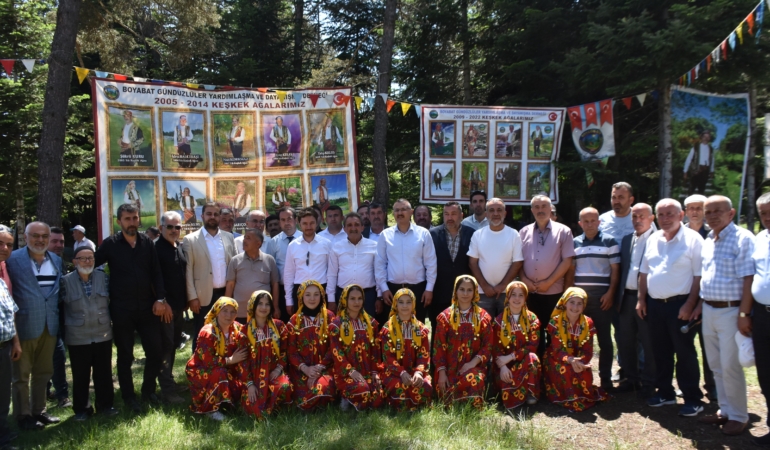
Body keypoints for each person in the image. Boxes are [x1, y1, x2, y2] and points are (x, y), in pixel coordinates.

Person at [94, 204, 166, 413]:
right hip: (121, 308)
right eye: (127, 219)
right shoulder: (110, 244)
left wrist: (160, 298)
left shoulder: (147, 243)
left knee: (155, 350)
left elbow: (156, 273)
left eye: (135, 218)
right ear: (119, 222)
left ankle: (148, 391)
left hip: (147, 306)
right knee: (125, 355)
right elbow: (91, 265)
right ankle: (128, 396)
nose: (132, 222)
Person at [637, 198, 704, 417]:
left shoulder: (693, 240)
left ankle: (693, 398)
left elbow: (698, 276)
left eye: (670, 214)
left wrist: (691, 304)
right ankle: (665, 392)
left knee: (684, 353)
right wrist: (641, 299)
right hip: (655, 306)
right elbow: (644, 273)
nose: (666, 219)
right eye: (662, 214)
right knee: (660, 352)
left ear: (681, 215)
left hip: (681, 305)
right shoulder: (654, 238)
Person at [696, 195, 754, 435]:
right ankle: (726, 410)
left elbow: (748, 278)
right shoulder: (709, 239)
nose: (711, 216)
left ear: (731, 213)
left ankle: (740, 416)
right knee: (715, 365)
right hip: (709, 309)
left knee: (730, 366)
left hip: (732, 310)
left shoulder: (742, 239)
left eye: (717, 211)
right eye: (708, 212)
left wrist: (744, 313)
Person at [7, 222, 62, 431]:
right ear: (26, 236)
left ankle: (39, 410)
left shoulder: (56, 260)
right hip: (24, 327)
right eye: (35, 236)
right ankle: (23, 415)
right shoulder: (13, 259)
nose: (40, 240)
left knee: (44, 371)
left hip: (49, 326)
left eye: (44, 236)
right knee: (21, 375)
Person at [59, 247, 119, 420]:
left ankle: (106, 406)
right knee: (80, 375)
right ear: (75, 261)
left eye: (90, 258)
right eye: (83, 258)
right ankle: (82, 409)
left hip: (102, 333)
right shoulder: (65, 281)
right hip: (78, 335)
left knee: (104, 373)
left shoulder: (104, 278)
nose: (87, 262)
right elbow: (60, 307)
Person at [519, 195, 574, 357]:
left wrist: (548, 282)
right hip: (530, 294)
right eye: (536, 207)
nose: (540, 210)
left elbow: (567, 262)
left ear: (550, 209)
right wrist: (524, 280)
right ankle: (535, 374)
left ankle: (552, 375)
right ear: (532, 210)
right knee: (532, 336)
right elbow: (518, 262)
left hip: (553, 293)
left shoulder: (564, 231)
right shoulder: (523, 232)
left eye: (544, 206)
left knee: (553, 336)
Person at [571, 207, 620, 390]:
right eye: (586, 221)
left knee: (605, 341)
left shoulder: (610, 241)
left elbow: (616, 271)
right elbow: (572, 270)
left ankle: (605, 380)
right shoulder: (574, 243)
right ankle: (580, 378)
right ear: (580, 224)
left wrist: (611, 294)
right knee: (580, 340)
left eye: (593, 221)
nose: (590, 224)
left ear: (599, 222)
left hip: (602, 299)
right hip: (580, 302)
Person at [182, 202, 237, 352]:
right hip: (202, 297)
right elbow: (188, 271)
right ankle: (198, 369)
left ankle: (223, 366)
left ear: (219, 217)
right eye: (209, 214)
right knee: (202, 334)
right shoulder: (191, 240)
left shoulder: (228, 238)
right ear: (202, 216)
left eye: (215, 214)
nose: (212, 217)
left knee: (226, 333)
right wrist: (192, 297)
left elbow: (234, 266)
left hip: (225, 294)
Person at [615, 203, 657, 395]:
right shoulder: (626, 240)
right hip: (627, 298)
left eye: (642, 216)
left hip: (648, 300)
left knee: (649, 343)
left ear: (651, 218)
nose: (637, 220)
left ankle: (649, 383)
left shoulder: (658, 240)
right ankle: (631, 380)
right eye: (634, 217)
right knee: (626, 341)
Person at [543, 288, 608, 411]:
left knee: (584, 371)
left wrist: (581, 361)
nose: (575, 307)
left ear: (584, 306)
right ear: (565, 303)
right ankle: (566, 397)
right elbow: (557, 349)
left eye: (579, 303)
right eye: (572, 302)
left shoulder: (588, 322)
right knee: (564, 369)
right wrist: (570, 360)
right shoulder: (555, 322)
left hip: (578, 359)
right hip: (556, 357)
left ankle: (581, 396)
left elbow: (588, 349)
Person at [433, 276, 492, 408]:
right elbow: (438, 348)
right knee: (445, 394)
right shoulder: (444, 317)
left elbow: (487, 347)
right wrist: (442, 373)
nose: (465, 293)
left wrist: (472, 364)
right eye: (462, 289)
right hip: (449, 371)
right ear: (455, 291)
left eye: (469, 290)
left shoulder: (483, 317)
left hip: (473, 369)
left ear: (475, 292)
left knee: (475, 380)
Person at [185, 297, 247, 421]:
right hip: (202, 370)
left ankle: (231, 404)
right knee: (220, 373)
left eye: (233, 312)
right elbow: (208, 361)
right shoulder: (208, 332)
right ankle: (210, 409)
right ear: (217, 311)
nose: (229, 315)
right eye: (225, 311)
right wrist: (230, 360)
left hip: (225, 368)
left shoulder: (237, 328)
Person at [376, 199, 437, 323]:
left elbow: (431, 263)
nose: (399, 213)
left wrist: (429, 289)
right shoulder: (385, 235)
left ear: (411, 212)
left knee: (417, 327)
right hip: (392, 290)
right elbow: (380, 264)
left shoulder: (423, 234)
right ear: (393, 214)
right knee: (394, 328)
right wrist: (384, 288)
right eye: (396, 210)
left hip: (418, 290)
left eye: (403, 209)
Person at [329, 285, 385, 411]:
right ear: (345, 300)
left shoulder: (371, 323)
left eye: (359, 298)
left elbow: (375, 350)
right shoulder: (336, 324)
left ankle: (354, 399)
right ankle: (345, 397)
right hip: (346, 373)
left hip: (367, 371)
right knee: (362, 391)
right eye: (352, 298)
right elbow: (336, 352)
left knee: (379, 397)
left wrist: (375, 372)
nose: (356, 302)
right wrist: (350, 371)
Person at [684, 193, 716, 401]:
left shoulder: (713, 235)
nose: (695, 212)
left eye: (699, 208)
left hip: (708, 300)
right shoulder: (676, 234)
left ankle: (712, 387)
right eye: (691, 208)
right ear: (685, 211)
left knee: (710, 348)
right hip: (682, 300)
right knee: (685, 349)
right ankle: (688, 386)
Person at [468, 198, 523, 319]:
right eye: (491, 210)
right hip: (483, 292)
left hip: (508, 292)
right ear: (486, 214)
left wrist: (502, 286)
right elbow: (473, 263)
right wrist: (485, 286)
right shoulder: (478, 235)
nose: (496, 213)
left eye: (499, 210)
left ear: (505, 213)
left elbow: (517, 262)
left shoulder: (514, 234)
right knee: (484, 329)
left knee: (506, 329)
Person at [240, 291, 293, 419]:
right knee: (254, 408)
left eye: (267, 304)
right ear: (253, 305)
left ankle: (277, 407)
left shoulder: (279, 326)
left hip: (274, 373)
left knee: (284, 387)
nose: (264, 308)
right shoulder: (245, 330)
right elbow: (243, 361)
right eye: (260, 304)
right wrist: (250, 384)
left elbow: (286, 351)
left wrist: (278, 369)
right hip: (254, 376)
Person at [154, 211, 189, 404]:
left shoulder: (178, 247)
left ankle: (170, 382)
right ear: (161, 228)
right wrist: (162, 301)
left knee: (174, 344)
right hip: (165, 307)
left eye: (178, 227)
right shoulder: (155, 249)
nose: (174, 230)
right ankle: (167, 391)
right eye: (170, 227)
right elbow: (153, 278)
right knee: (165, 346)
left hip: (178, 307)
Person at [379, 288, 433, 411]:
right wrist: (402, 373)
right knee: (398, 386)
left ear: (413, 304)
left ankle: (417, 406)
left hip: (415, 372)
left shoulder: (421, 329)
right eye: (401, 302)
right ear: (395, 305)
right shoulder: (388, 329)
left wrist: (418, 372)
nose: (404, 306)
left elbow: (423, 355)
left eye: (408, 302)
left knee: (425, 385)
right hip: (394, 372)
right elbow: (388, 358)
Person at [428, 202, 475, 341]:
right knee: (439, 333)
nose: (450, 217)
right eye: (446, 214)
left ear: (461, 215)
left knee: (463, 334)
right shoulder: (432, 235)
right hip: (439, 294)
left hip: (465, 295)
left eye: (453, 214)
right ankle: (438, 363)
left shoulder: (472, 234)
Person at [287, 280, 336, 410]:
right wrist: (306, 369)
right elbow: (291, 351)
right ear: (301, 297)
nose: (312, 298)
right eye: (307, 294)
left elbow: (334, 347)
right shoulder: (294, 320)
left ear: (321, 296)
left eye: (316, 294)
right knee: (302, 394)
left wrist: (319, 368)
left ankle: (320, 401)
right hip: (302, 371)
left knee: (323, 387)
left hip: (325, 368)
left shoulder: (330, 317)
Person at [493, 281, 541, 410]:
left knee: (533, 358)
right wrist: (503, 366)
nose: (517, 298)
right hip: (505, 367)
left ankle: (530, 393)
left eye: (521, 295)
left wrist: (511, 356)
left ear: (525, 298)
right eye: (513, 294)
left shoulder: (532, 319)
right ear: (507, 297)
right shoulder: (498, 321)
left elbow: (532, 346)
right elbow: (495, 347)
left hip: (524, 362)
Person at [327, 212, 379, 318]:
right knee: (345, 330)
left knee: (368, 330)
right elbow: (332, 275)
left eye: (356, 224)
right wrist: (331, 299)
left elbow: (379, 273)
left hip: (368, 296)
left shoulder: (374, 246)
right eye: (349, 225)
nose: (353, 228)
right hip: (343, 295)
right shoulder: (337, 247)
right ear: (344, 228)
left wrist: (379, 297)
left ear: (362, 227)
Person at [284, 208, 333, 313]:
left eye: (312, 223)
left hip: (321, 290)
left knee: (322, 324)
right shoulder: (292, 246)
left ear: (317, 223)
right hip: (299, 290)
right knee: (302, 326)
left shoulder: (326, 244)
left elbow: (331, 272)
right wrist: (289, 300)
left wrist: (331, 297)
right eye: (305, 223)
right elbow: (289, 274)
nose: (309, 227)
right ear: (299, 224)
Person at [226, 229, 279, 323]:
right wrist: (227, 306)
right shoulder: (235, 260)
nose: (244, 240)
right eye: (244, 237)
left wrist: (275, 307)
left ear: (258, 244)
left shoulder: (269, 260)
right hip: (241, 312)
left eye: (248, 238)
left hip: (263, 312)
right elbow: (230, 285)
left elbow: (275, 284)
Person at [751, 192, 770, 447]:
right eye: (764, 213)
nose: (767, 217)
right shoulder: (759, 239)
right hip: (762, 315)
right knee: (765, 373)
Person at [44, 227, 69, 409]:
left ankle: (62, 395)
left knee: (58, 356)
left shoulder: (60, 262)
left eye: (61, 241)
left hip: (59, 315)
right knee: (44, 357)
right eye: (55, 241)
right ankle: (45, 392)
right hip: (40, 318)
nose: (59, 245)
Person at [0, 226, 20, 447]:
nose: (4, 248)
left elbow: (10, 311)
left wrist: (15, 341)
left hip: (5, 346)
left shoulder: (2, 275)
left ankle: (2, 433)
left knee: (3, 394)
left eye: (9, 244)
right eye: (0, 243)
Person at [273, 207, 303, 322]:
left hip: (303, 289)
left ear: (296, 220)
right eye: (283, 220)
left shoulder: (305, 238)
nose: (286, 223)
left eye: (289, 219)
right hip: (282, 291)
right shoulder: (274, 242)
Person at [683, 129, 715, 195]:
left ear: (709, 138)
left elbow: (712, 160)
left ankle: (700, 204)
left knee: (701, 190)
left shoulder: (711, 149)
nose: (706, 138)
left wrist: (711, 171)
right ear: (701, 137)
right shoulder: (695, 147)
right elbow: (689, 159)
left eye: (708, 137)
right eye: (704, 136)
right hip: (695, 171)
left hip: (705, 172)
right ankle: (688, 204)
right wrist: (685, 171)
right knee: (691, 189)